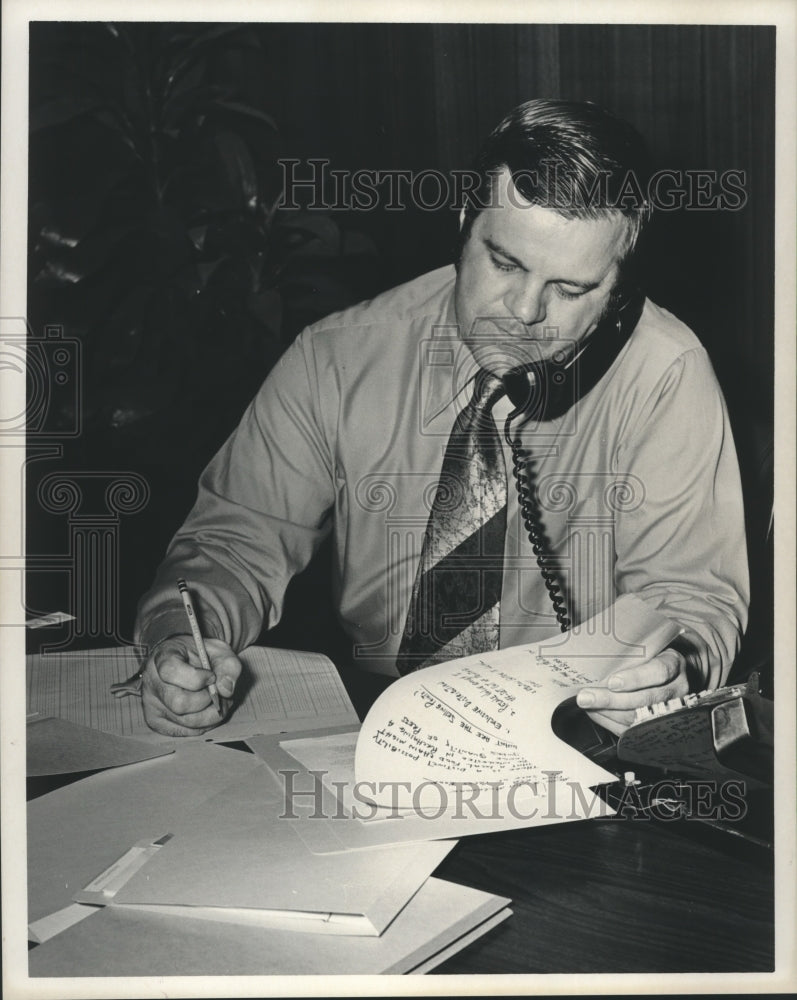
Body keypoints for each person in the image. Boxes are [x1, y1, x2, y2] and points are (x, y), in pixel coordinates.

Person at [135, 99, 749, 738]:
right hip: (371, 722)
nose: (524, 310)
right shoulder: (336, 358)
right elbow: (235, 541)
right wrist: (181, 637)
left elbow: (691, 597)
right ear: (464, 221)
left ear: (619, 292)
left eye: (570, 290)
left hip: (573, 728)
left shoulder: (665, 373)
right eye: (505, 262)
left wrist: (676, 667)